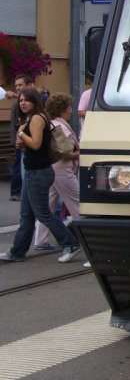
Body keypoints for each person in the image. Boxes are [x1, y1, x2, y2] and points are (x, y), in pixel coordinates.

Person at [0, 88, 83, 263]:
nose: (22, 103)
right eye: (21, 100)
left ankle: (71, 242)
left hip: (38, 172)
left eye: (26, 100)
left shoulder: (37, 118)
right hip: (34, 171)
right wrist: (21, 140)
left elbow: (36, 145)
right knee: (27, 215)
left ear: (34, 102)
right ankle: (18, 251)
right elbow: (31, 146)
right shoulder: (33, 118)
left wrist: (22, 133)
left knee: (43, 213)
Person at [32, 93, 81, 250]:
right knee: (78, 204)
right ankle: (88, 239)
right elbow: (64, 152)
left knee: (47, 206)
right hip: (63, 171)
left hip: (52, 169)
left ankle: (40, 241)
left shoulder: (51, 123)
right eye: (69, 108)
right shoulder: (61, 127)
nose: (71, 111)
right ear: (62, 110)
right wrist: (81, 153)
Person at [5, 74, 36, 201]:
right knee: (19, 165)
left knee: (20, 165)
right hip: (21, 139)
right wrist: (20, 136)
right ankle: (17, 192)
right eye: (16, 85)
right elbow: (18, 123)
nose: (17, 88)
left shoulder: (32, 101)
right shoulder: (18, 103)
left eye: (20, 85)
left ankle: (19, 191)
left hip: (24, 138)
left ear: (29, 85)